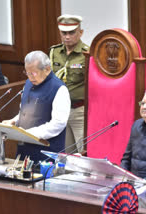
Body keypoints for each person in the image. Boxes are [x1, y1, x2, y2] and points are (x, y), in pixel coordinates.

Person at [2, 51, 70, 163]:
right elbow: (24, 111)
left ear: (47, 69)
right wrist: (13, 121)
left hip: (46, 152)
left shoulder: (59, 89)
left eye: (33, 73)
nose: (29, 77)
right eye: (27, 73)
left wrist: (29, 134)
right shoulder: (28, 83)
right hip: (24, 150)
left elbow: (58, 124)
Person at [50, 14, 89, 154]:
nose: (67, 36)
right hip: (60, 111)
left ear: (81, 33)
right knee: (65, 154)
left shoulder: (87, 54)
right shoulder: (54, 52)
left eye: (72, 32)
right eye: (64, 33)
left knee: (83, 153)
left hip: (79, 111)